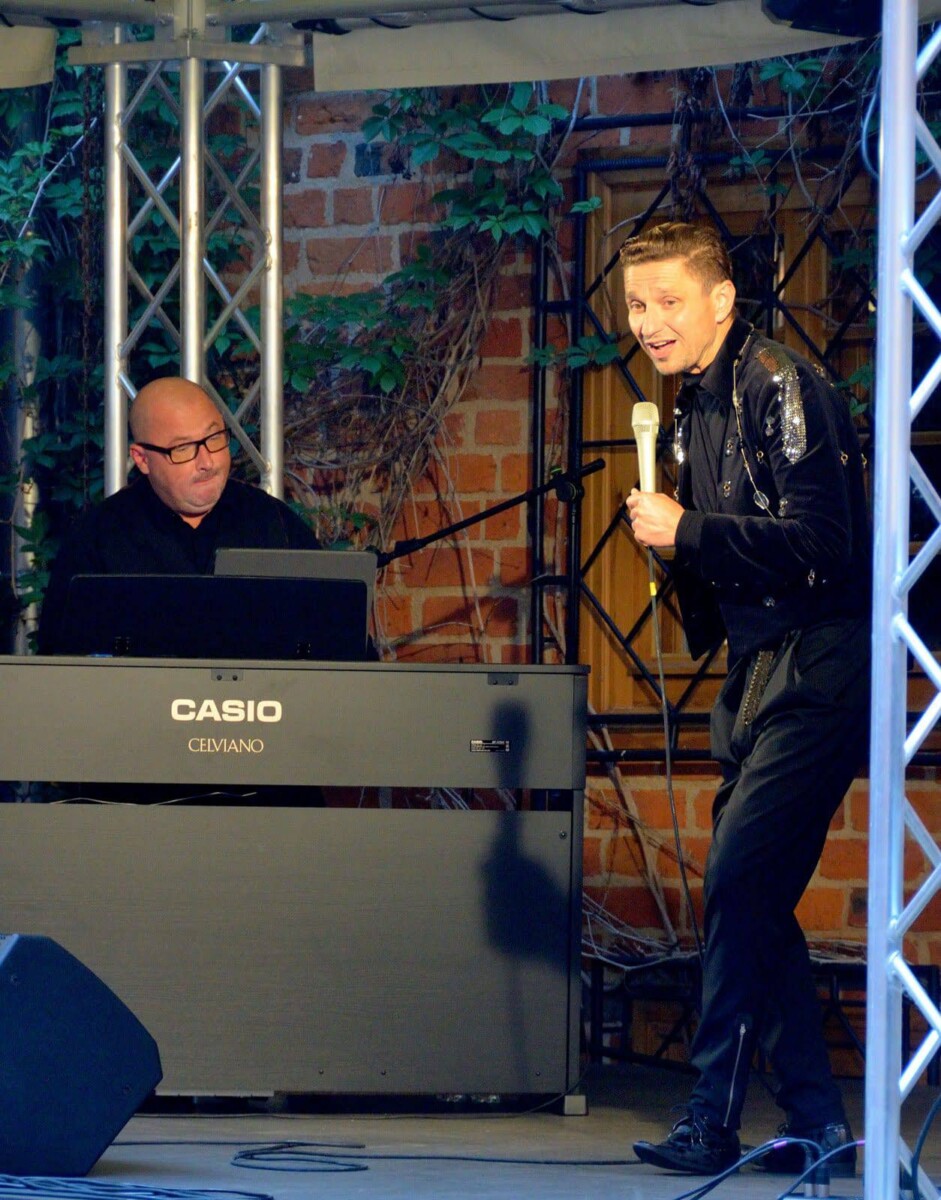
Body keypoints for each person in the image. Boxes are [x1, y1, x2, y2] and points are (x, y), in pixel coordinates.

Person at [621, 223, 870, 1177]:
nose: (649, 322)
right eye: (636, 304)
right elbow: (725, 560)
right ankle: (817, 1126)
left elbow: (822, 544)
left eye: (668, 301)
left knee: (736, 879)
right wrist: (673, 544)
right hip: (760, 673)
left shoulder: (780, 385)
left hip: (819, 665)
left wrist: (688, 530)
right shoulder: (694, 405)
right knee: (752, 893)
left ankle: (711, 1118)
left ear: (720, 300)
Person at [38, 375, 320, 653]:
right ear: (142, 459)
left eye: (214, 438)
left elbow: (327, 639)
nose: (207, 462)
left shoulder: (273, 521)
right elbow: (62, 662)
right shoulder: (97, 539)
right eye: (183, 449)